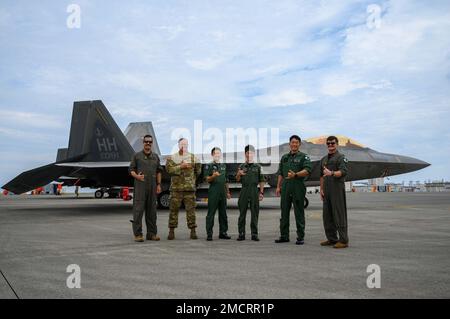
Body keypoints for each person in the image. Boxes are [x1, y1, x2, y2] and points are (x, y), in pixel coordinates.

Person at [275, 135, 312, 245]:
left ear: (299, 144)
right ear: (289, 144)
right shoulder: (284, 157)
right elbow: (281, 173)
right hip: (286, 187)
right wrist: (278, 186)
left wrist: (295, 174)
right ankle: (284, 236)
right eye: (292, 142)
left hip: (298, 187)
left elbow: (307, 170)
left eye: (296, 142)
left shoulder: (304, 157)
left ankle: (300, 237)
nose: (294, 144)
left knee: (299, 212)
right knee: (284, 212)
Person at [166, 138, 202, 240]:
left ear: (188, 145)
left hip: (189, 189)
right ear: (178, 145)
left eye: (185, 144)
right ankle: (171, 231)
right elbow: (168, 170)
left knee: (191, 211)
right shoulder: (172, 157)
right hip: (176, 189)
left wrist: (191, 180)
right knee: (173, 210)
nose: (184, 146)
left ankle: (193, 231)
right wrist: (180, 167)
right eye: (182, 144)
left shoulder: (193, 158)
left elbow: (198, 171)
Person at [129, 134, 163, 242]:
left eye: (150, 142)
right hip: (140, 186)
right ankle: (138, 234)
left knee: (152, 211)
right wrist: (137, 176)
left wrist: (158, 184)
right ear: (143, 143)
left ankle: (152, 234)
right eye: (146, 142)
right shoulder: (137, 156)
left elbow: (159, 171)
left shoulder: (155, 157)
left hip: (152, 186)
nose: (148, 143)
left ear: (152, 144)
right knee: (138, 211)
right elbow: (131, 170)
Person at [320, 136, 349, 249]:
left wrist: (331, 173)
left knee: (339, 214)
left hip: (337, 189)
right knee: (327, 216)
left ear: (337, 144)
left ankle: (343, 240)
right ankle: (332, 239)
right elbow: (321, 176)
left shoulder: (341, 157)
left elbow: (343, 172)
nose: (330, 145)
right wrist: (321, 189)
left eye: (332, 143)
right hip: (326, 190)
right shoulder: (324, 159)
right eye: (328, 143)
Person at [236, 145, 265, 241]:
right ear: (245, 154)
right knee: (242, 214)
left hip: (254, 191)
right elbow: (237, 179)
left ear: (254, 154)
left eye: (251, 153)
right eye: (248, 153)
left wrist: (261, 192)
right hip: (244, 190)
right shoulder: (241, 166)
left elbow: (261, 180)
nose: (249, 155)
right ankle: (241, 233)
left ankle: (254, 234)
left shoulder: (258, 167)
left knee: (255, 213)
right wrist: (239, 174)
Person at [204, 147, 231, 241]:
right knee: (211, 213)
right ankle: (209, 234)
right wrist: (213, 176)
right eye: (215, 153)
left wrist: (228, 192)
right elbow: (207, 179)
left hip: (222, 192)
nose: (217, 155)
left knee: (223, 213)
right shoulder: (209, 166)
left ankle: (223, 232)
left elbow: (226, 180)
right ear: (212, 155)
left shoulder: (223, 166)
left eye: (219, 153)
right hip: (213, 191)